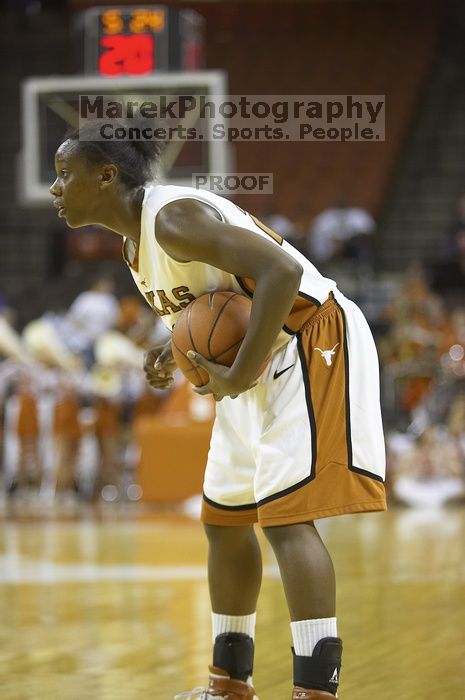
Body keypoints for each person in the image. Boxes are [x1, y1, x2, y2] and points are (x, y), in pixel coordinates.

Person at [49, 126, 387, 700]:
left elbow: (280, 272)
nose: (55, 189)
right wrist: (169, 351)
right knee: (224, 519)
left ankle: (314, 691)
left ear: (106, 175)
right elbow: (212, 305)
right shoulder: (137, 241)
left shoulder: (172, 220)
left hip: (308, 336)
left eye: (64, 174)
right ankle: (229, 684)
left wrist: (237, 371)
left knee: (285, 519)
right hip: (260, 355)